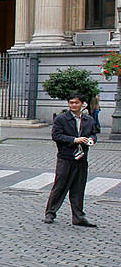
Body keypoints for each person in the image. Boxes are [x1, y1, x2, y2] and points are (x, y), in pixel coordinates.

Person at [44, 93, 98, 227]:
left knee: (79, 188)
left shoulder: (88, 119)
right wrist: (74, 140)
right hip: (66, 157)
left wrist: (91, 140)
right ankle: (50, 213)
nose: (74, 105)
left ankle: (78, 216)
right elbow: (56, 136)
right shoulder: (61, 119)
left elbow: (94, 133)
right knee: (60, 186)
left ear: (82, 104)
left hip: (81, 158)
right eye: (71, 103)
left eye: (76, 103)